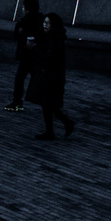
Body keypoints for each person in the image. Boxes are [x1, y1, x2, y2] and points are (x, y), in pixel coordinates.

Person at [28, 13, 75, 141]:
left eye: (47, 23)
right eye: (44, 22)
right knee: (48, 104)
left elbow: (48, 57)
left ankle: (56, 128)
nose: (45, 25)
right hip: (49, 75)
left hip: (50, 76)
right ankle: (62, 125)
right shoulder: (51, 37)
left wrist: (35, 47)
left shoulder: (55, 40)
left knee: (47, 103)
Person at [5, 0, 42, 112]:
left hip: (27, 55)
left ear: (27, 9)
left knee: (21, 78)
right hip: (33, 55)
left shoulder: (25, 22)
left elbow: (17, 35)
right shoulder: (40, 20)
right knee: (35, 78)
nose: (22, 9)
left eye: (23, 7)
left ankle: (17, 101)